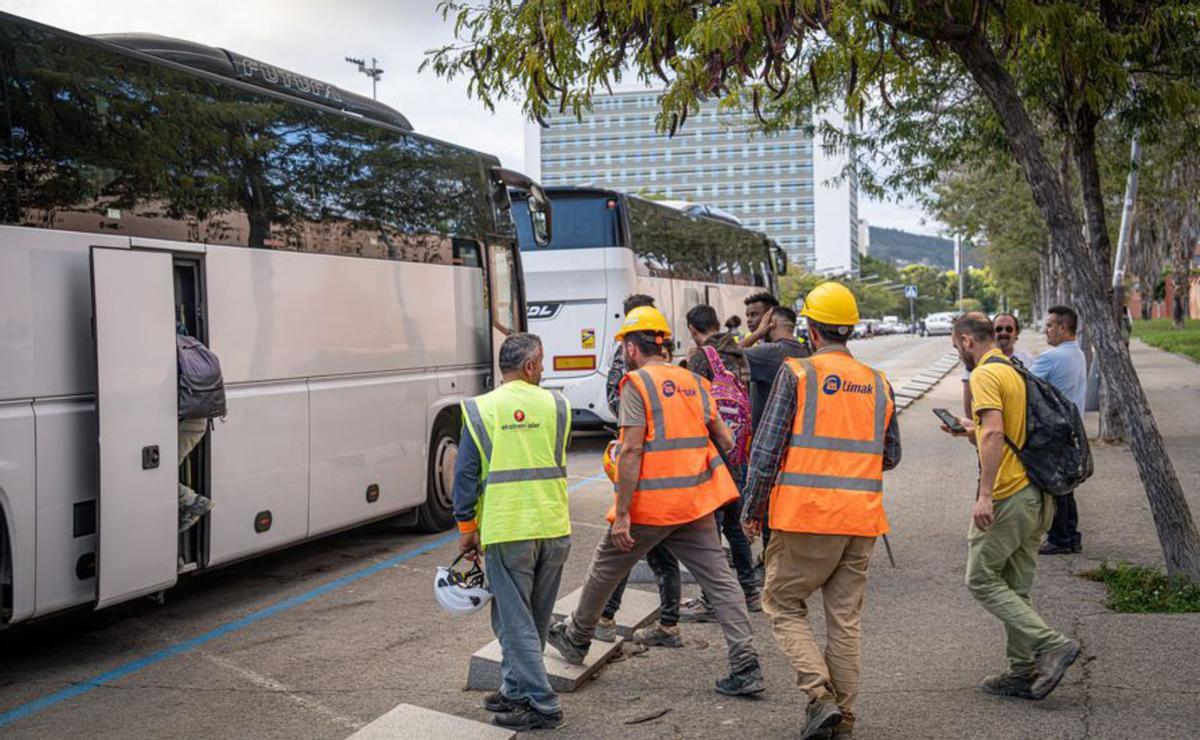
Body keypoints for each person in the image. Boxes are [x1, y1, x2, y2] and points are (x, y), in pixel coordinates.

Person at [548, 306, 765, 697]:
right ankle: (745, 662)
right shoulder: (694, 381)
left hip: (652, 505)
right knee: (719, 578)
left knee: (605, 565)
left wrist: (623, 513)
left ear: (632, 347)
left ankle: (578, 637)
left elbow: (630, 451)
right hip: (695, 503)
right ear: (663, 343)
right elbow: (727, 440)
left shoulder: (637, 384)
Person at [740, 282, 901, 740]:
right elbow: (889, 455)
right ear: (849, 330)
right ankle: (844, 719)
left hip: (805, 515)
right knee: (844, 621)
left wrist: (752, 509)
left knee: (783, 605)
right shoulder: (878, 381)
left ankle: (819, 695)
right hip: (861, 519)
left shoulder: (798, 374)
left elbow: (767, 448)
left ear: (810, 330)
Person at [941, 312, 1080, 702]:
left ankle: (1052, 644)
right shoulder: (1013, 370)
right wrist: (969, 429)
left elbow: (998, 433)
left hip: (1010, 492)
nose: (959, 355)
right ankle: (1022, 670)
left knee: (981, 578)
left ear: (968, 341)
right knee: (1017, 587)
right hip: (1039, 494)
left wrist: (985, 495)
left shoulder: (985, 373)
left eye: (957, 347)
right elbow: (1000, 431)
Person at [453, 333, 572, 731]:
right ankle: (516, 689)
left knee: (514, 621)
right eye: (542, 363)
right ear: (531, 366)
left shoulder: (481, 409)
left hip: (508, 529)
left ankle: (542, 703)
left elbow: (466, 474)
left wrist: (467, 529)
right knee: (527, 618)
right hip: (554, 526)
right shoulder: (558, 405)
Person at [599, 293, 684, 648]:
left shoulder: (631, 371)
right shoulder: (676, 368)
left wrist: (621, 509)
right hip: (674, 477)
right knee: (661, 553)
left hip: (644, 474)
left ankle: (600, 621)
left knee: (622, 546)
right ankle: (667, 623)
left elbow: (628, 431)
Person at [677, 305, 761, 620]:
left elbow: (692, 403)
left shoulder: (702, 357)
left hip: (711, 450)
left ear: (692, 327)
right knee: (736, 525)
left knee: (710, 528)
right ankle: (750, 590)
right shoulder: (739, 353)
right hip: (738, 447)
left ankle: (712, 601)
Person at [1031, 306, 1088, 555]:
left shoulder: (1051, 358)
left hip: (1053, 429)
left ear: (1064, 327)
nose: (1047, 331)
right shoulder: (1078, 354)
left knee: (1056, 487)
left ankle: (1059, 538)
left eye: (1051, 326)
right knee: (1067, 486)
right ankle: (1070, 536)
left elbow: (1022, 385)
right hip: (1073, 428)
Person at [961, 312, 1035, 418]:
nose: (1003, 333)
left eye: (1009, 329)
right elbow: (968, 396)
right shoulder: (978, 359)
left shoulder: (1028, 360)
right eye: (999, 329)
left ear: (1016, 333)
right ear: (992, 333)